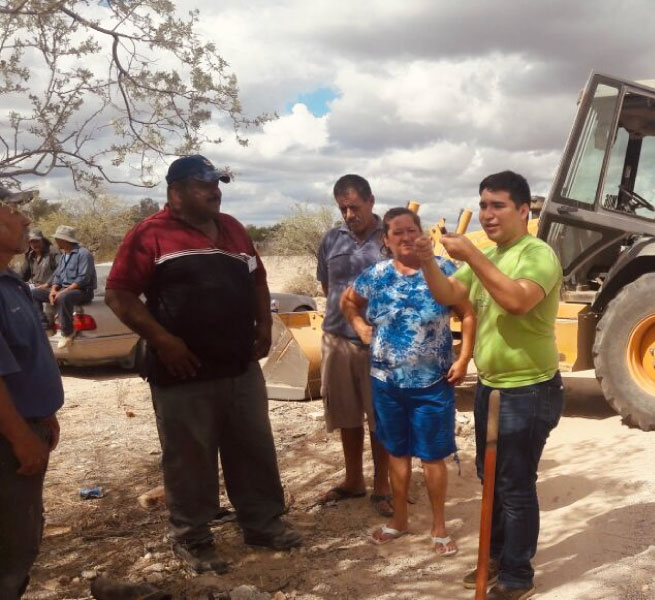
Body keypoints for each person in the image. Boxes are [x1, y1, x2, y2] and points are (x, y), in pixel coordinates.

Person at [104, 155, 301, 574]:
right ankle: (192, 538)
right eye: (204, 185)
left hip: (239, 367)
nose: (216, 191)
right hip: (183, 371)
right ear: (175, 192)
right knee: (188, 458)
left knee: (253, 448)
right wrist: (163, 340)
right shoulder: (149, 235)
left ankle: (263, 524)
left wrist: (264, 324)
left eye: (218, 184)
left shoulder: (232, 228)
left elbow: (258, 280)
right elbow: (119, 295)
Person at [414, 170, 563, 600]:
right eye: (482, 205)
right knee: (491, 477)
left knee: (515, 483)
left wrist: (473, 255)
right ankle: (495, 556)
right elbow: (447, 295)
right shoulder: (490, 257)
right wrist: (428, 260)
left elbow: (517, 301)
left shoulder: (536, 254)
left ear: (523, 210)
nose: (487, 214)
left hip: (529, 389)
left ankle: (517, 576)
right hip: (492, 386)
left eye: (497, 205)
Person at [341, 207, 476, 556]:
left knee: (432, 457)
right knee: (397, 454)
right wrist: (360, 327)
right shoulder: (376, 275)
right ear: (386, 240)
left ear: (423, 235)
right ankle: (399, 520)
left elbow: (469, 312)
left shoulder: (445, 270)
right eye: (396, 232)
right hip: (386, 382)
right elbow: (349, 303)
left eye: (410, 230)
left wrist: (464, 358)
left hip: (433, 382)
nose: (404, 237)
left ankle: (439, 526)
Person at [315, 174, 392, 517]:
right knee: (346, 414)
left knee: (381, 417)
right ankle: (353, 481)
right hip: (336, 340)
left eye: (355, 207)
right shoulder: (331, 239)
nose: (349, 215)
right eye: (343, 209)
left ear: (371, 201)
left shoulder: (390, 239)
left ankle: (383, 487)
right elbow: (325, 286)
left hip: (379, 342)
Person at [0, 194, 63, 598]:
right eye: (9, 210)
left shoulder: (10, 282)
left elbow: (25, 359)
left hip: (26, 427)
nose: (23, 218)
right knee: (9, 547)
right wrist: (22, 437)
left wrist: (45, 414)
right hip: (7, 441)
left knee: (22, 537)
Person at [30, 225, 96, 348]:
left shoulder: (84, 254)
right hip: (64, 289)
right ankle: (45, 328)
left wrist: (62, 292)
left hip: (82, 291)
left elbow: (83, 279)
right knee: (34, 293)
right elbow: (57, 275)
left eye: (57, 239)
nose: (55, 242)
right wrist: (53, 289)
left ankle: (67, 333)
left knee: (64, 297)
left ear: (64, 240)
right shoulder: (65, 255)